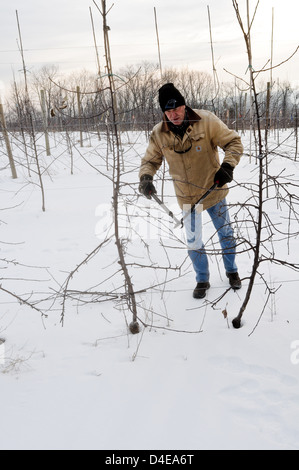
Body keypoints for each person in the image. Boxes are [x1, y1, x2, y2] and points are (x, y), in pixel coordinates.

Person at [139, 83, 243, 299]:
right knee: (193, 241)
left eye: (176, 108)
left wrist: (228, 166)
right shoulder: (159, 134)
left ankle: (232, 270)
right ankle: (202, 278)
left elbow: (233, 142)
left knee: (226, 234)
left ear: (184, 105)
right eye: (168, 111)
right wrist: (146, 178)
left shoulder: (206, 121)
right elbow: (150, 160)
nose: (173, 114)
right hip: (186, 197)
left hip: (213, 190)